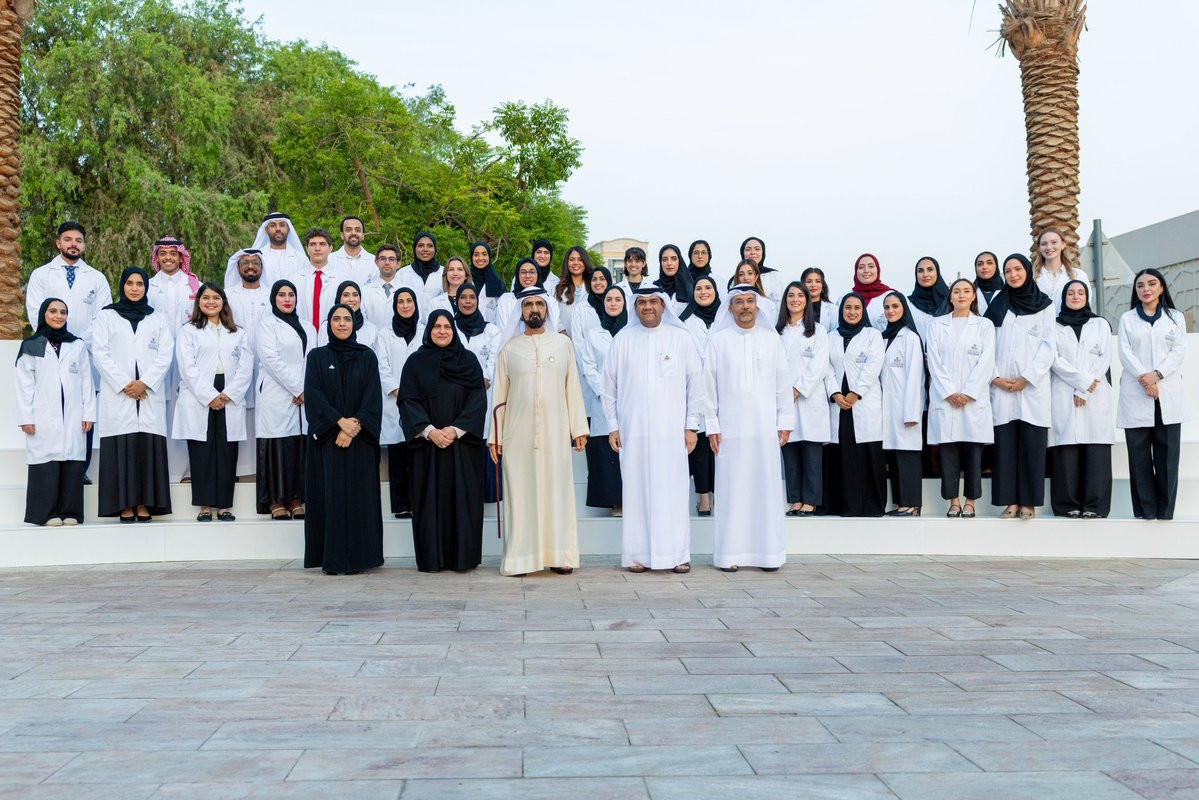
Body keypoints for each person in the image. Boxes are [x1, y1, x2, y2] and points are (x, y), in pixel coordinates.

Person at [488, 286, 589, 577]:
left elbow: (573, 388)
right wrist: (495, 437)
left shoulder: (563, 344)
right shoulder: (509, 349)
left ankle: (560, 555)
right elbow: (499, 397)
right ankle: (520, 559)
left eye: (539, 304)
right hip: (516, 436)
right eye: (528, 305)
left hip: (555, 434)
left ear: (547, 310)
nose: (534, 309)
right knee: (521, 497)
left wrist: (578, 428)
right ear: (521, 311)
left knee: (557, 493)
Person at [603, 287, 704, 573]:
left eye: (654, 302)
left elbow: (695, 385)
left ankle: (678, 554)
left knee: (673, 491)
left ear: (664, 306)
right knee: (636, 492)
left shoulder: (681, 338)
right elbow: (608, 387)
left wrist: (691, 426)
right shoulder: (622, 340)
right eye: (642, 302)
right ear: (635, 307)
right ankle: (637, 555)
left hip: (671, 433)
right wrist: (613, 426)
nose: (648, 307)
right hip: (633, 432)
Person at [703, 286, 792, 572]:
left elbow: (783, 383)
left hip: (764, 430)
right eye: (739, 302)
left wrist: (785, 421)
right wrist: (712, 425)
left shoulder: (771, 340)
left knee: (765, 490)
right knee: (732, 491)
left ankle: (768, 555)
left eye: (750, 301)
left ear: (758, 306)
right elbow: (708, 388)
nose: (745, 306)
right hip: (729, 431)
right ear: (730, 308)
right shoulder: (718, 341)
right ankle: (730, 555)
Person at [400, 310, 488, 572]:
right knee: (429, 500)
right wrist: (429, 431)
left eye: (447, 326)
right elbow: (407, 401)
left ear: (454, 330)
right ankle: (432, 559)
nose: (441, 331)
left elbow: (478, 398)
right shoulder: (415, 363)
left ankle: (463, 558)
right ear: (429, 331)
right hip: (427, 447)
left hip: (462, 446)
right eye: (436, 326)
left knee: (463, 500)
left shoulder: (468, 361)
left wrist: (455, 429)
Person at [25, 221, 113, 480]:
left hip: (86, 352)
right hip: (49, 351)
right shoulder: (41, 275)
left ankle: (80, 470)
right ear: (58, 243)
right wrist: (59, 342)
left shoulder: (96, 278)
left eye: (78, 240)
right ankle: (51, 466)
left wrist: (77, 343)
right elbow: (36, 312)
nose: (73, 244)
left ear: (83, 245)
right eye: (68, 239)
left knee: (84, 409)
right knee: (52, 406)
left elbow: (103, 317)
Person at [303, 304, 384, 575]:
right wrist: (339, 422)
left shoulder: (367, 356)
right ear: (329, 324)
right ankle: (332, 559)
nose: (341, 324)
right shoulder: (317, 357)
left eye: (347, 319)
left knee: (359, 499)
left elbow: (372, 396)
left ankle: (360, 558)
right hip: (328, 442)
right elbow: (314, 395)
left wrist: (354, 426)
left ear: (354, 323)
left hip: (359, 441)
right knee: (331, 499)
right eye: (336, 319)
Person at [92, 267, 175, 522]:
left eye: (140, 283)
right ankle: (124, 505)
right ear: (122, 286)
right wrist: (126, 384)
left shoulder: (157, 318)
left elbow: (165, 354)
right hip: (119, 393)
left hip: (148, 394)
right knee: (122, 447)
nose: (135, 288)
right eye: (130, 283)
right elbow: (100, 353)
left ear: (146, 287)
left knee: (146, 447)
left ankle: (144, 503)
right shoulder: (107, 316)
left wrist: (145, 383)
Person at [173, 283, 254, 522]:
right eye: (206, 297)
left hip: (229, 393)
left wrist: (228, 394)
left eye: (216, 298)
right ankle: (205, 505)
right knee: (202, 451)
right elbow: (187, 367)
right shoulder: (188, 331)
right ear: (198, 302)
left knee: (227, 452)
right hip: (200, 394)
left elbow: (246, 366)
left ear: (223, 302)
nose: (211, 302)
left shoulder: (237, 332)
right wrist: (209, 396)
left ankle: (224, 506)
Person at [986, 253, 1056, 519]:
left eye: (1018, 269)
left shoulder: (1044, 304)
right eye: (1008, 271)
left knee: (1032, 445)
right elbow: (986, 343)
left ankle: (1029, 502)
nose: (1013, 274)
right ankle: (1010, 501)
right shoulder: (998, 302)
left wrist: (1027, 377)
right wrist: (995, 377)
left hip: (1032, 387)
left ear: (1027, 271)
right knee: (1005, 446)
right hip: (1002, 386)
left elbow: (1049, 345)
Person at [1118, 268, 1189, 521]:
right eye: (1140, 285)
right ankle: (1146, 511)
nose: (1146, 289)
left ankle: (1165, 511)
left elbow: (1179, 350)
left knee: (1167, 457)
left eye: (1151, 284)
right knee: (1139, 457)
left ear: (1161, 288)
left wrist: (1157, 375)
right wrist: (1145, 378)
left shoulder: (1175, 317)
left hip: (1167, 392)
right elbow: (1125, 352)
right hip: (1137, 392)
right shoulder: (1127, 318)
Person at [16, 298, 94, 526]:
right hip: (43, 415)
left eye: (63, 312)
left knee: (71, 460)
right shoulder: (32, 345)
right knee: (46, 461)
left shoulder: (76, 345)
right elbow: (24, 386)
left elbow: (86, 381)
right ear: (44, 314)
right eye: (53, 311)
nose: (58, 316)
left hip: (73, 414)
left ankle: (71, 511)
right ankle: (46, 513)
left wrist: (88, 413)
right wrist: (26, 417)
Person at [927, 279, 995, 518]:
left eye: (967, 291)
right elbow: (933, 360)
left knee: (973, 453)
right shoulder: (936, 325)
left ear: (974, 296)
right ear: (950, 296)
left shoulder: (984, 325)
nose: (961, 295)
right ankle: (953, 502)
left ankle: (971, 502)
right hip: (945, 398)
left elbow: (986, 361)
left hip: (973, 400)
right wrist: (949, 392)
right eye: (956, 291)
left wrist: (968, 392)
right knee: (948, 452)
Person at [1050, 280, 1113, 518]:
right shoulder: (1053, 326)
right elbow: (1054, 359)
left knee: (1096, 449)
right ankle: (1068, 505)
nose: (1075, 296)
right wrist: (1081, 383)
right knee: (1066, 448)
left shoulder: (1100, 324)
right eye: (1070, 293)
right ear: (1063, 297)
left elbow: (1104, 358)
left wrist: (1085, 389)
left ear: (1087, 297)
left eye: (1080, 293)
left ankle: (1095, 505)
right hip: (1063, 391)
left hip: (1095, 393)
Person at [826, 293, 887, 517]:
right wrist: (835, 393)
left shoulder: (872, 335)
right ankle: (844, 506)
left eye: (857, 308)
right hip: (838, 403)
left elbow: (873, 366)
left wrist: (855, 393)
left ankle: (870, 506)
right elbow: (826, 367)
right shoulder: (831, 336)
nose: (852, 312)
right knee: (843, 453)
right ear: (841, 310)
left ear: (863, 311)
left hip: (862, 401)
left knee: (867, 452)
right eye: (848, 308)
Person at [255, 280, 310, 519]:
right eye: (281, 294)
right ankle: (275, 501)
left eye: (291, 294)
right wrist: (297, 389)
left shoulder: (307, 326)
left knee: (297, 445)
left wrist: (306, 389)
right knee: (276, 446)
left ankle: (295, 498)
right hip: (276, 393)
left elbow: (312, 359)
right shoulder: (267, 324)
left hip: (303, 396)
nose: (287, 299)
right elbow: (271, 359)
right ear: (273, 299)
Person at [147, 236, 199, 482]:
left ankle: (186, 470)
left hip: (187, 359)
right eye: (163, 253)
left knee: (185, 409)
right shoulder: (147, 286)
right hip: (155, 358)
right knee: (159, 410)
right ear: (157, 257)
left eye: (172, 253)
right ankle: (161, 470)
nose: (168, 257)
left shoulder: (194, 286)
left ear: (181, 257)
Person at [777, 282, 831, 516]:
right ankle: (795, 500)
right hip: (782, 400)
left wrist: (797, 389)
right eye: (791, 295)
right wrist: (782, 393)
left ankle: (810, 500)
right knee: (789, 451)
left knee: (811, 452)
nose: (795, 299)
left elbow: (819, 366)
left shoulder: (818, 331)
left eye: (800, 295)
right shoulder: (776, 332)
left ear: (807, 301)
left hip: (809, 400)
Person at [576, 286, 627, 516]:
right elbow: (588, 366)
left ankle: (632, 500)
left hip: (630, 400)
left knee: (630, 451)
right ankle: (615, 502)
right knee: (607, 454)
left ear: (625, 304)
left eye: (618, 299)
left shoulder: (633, 332)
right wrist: (606, 391)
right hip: (602, 401)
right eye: (609, 300)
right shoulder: (594, 334)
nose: (613, 303)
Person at [224, 249, 271, 478]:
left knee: (265, 411)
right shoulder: (227, 295)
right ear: (238, 267)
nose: (250, 266)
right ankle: (240, 468)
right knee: (237, 410)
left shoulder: (273, 294)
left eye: (255, 262)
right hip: (234, 363)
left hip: (267, 364)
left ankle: (262, 468)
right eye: (245, 262)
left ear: (262, 268)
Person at [454, 284, 502, 504]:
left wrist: (482, 379)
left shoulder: (491, 330)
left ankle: (488, 494)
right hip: (456, 394)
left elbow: (494, 359)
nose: (467, 301)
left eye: (472, 297)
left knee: (483, 435)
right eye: (463, 297)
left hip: (485, 391)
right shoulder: (450, 327)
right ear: (457, 301)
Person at [377, 288, 424, 518]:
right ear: (395, 306)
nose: (405, 305)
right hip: (394, 401)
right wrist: (399, 391)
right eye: (401, 302)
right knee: (397, 457)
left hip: (421, 402)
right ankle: (401, 505)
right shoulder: (384, 334)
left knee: (419, 456)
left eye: (409, 301)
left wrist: (416, 394)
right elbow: (382, 366)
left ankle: (420, 503)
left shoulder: (425, 331)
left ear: (415, 304)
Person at [879, 292, 926, 516]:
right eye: (887, 307)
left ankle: (912, 504)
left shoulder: (910, 338)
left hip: (906, 407)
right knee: (895, 456)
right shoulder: (883, 337)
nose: (890, 311)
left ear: (904, 309)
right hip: (888, 406)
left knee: (907, 455)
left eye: (895, 306)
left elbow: (916, 378)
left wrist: (911, 413)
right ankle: (900, 503)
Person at [679, 276, 721, 515]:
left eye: (708, 288)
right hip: (695, 388)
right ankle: (703, 496)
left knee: (721, 446)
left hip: (723, 389)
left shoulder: (726, 318)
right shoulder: (685, 322)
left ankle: (720, 494)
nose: (703, 292)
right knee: (700, 447)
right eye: (699, 288)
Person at [225, 212, 309, 287]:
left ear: (288, 228)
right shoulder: (257, 258)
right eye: (273, 225)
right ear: (266, 230)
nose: (278, 229)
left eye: (282, 225)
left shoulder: (301, 259)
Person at [495, 259, 561, 339]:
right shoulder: (506, 300)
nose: (527, 276)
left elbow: (552, 330)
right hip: (511, 346)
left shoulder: (550, 301)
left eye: (532, 272)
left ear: (538, 275)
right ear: (517, 275)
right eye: (523, 272)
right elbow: (503, 332)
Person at [1034, 227, 1093, 313]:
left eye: (1054, 242)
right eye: (1044, 244)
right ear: (1039, 247)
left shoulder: (1079, 276)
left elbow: (1085, 307)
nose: (1049, 247)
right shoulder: (1031, 278)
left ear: (1063, 244)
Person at [295, 228, 342, 336]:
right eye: (312, 244)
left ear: (330, 248)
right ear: (307, 249)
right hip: (301, 334)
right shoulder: (295, 279)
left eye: (322, 244)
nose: (317, 248)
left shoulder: (342, 279)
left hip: (333, 336)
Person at [319, 280, 383, 350]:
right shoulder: (326, 326)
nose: (351, 299)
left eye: (355, 295)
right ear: (339, 298)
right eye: (346, 295)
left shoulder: (371, 329)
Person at [554, 245, 595, 336]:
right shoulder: (558, 286)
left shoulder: (594, 285)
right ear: (567, 263)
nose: (576, 263)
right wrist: (561, 330)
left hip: (589, 338)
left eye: (580, 260)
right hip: (565, 338)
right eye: (572, 260)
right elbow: (553, 312)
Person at [361, 244, 404, 328]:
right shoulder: (364, 291)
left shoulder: (409, 291)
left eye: (391, 259)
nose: (387, 262)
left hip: (400, 336)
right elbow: (362, 321)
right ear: (376, 262)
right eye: (383, 258)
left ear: (398, 263)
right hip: (372, 336)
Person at [396, 231, 443, 309]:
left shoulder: (444, 273)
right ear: (415, 248)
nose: (425, 249)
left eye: (430, 246)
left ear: (435, 249)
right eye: (421, 246)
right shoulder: (402, 274)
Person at [907, 256, 949, 338]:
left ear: (937, 272)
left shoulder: (950, 302)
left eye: (930, 270)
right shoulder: (907, 304)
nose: (925, 274)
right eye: (920, 271)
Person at [849, 253, 893, 330]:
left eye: (871, 266)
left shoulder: (891, 296)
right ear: (856, 271)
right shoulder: (846, 298)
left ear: (878, 270)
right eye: (861, 267)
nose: (866, 270)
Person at [328, 215, 374, 284]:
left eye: (358, 230)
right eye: (348, 230)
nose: (353, 233)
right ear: (342, 235)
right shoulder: (329, 260)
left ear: (363, 235)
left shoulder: (374, 262)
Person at [468, 241, 507, 322]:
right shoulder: (465, 281)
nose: (480, 258)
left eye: (484, 254)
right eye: (476, 255)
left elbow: (505, 312)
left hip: (493, 327)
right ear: (471, 257)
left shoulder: (498, 284)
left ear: (489, 256)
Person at [739, 236, 784, 302]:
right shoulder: (734, 280)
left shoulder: (773, 276)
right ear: (742, 253)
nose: (753, 252)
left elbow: (778, 303)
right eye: (748, 249)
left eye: (757, 249)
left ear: (763, 253)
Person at [656, 244, 693, 316]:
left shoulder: (690, 287)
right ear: (661, 263)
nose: (669, 263)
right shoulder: (653, 287)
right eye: (665, 259)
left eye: (673, 259)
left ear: (679, 261)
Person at [801, 267, 837, 332]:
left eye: (817, 281)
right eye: (809, 282)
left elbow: (834, 333)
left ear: (822, 285)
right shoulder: (796, 306)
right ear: (802, 285)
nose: (813, 285)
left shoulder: (833, 309)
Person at [973, 250, 1004, 316]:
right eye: (980, 264)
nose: (984, 267)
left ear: (996, 266)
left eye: (989, 263)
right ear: (975, 268)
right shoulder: (970, 292)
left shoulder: (1008, 291)